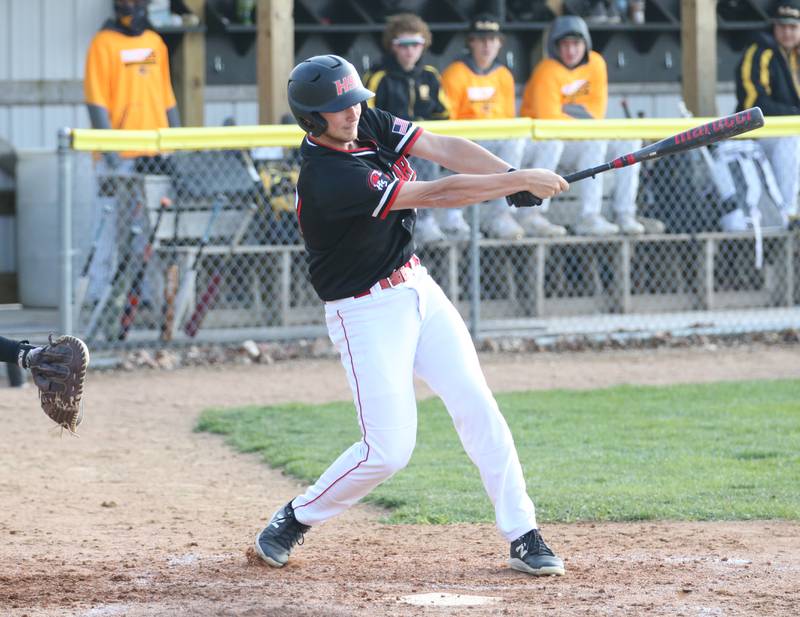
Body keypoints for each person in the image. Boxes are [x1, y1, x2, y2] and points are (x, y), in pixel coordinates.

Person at [253, 54, 568, 577]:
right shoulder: (327, 177)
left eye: (354, 101)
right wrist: (515, 184)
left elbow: (442, 148)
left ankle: (523, 532)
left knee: (478, 407)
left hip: (417, 286)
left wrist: (511, 176)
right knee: (389, 450)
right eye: (338, 108)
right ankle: (296, 516)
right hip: (365, 313)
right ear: (312, 119)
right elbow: (438, 191)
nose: (353, 113)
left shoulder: (365, 124)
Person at [520, 15, 660, 236]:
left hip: (579, 137)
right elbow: (550, 120)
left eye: (576, 43)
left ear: (585, 44)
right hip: (547, 143)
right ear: (555, 47)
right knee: (591, 141)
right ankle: (581, 216)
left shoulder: (596, 63)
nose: (571, 50)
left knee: (630, 141)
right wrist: (577, 116)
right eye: (564, 44)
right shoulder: (546, 71)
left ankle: (625, 213)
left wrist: (565, 111)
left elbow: (596, 113)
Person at [82, 0, 180, 311]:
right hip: (119, 157)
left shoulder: (155, 44)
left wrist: (175, 144)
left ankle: (149, 297)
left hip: (154, 153)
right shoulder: (102, 43)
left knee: (150, 234)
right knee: (109, 230)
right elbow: (96, 101)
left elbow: (167, 98)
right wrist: (110, 152)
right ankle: (99, 295)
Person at [441, 14, 566, 239]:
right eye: (481, 39)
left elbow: (508, 119)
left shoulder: (503, 75)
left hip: (499, 142)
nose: (487, 45)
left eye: (492, 39)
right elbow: (448, 123)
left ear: (500, 42)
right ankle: (498, 216)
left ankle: (530, 215)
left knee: (550, 144)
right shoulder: (455, 73)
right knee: (512, 144)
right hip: (469, 143)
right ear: (471, 42)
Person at [364, 14, 469, 243]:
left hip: (423, 144)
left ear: (424, 45)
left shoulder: (430, 75)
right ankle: (424, 221)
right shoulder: (379, 76)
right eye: (403, 45)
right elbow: (366, 119)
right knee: (426, 153)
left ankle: (453, 217)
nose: (410, 51)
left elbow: (444, 114)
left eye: (416, 44)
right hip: (390, 150)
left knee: (458, 148)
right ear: (393, 46)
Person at [735, 0, 800, 227]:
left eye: (793, 27)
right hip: (757, 135)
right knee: (791, 139)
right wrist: (795, 114)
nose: (787, 32)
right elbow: (753, 103)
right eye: (782, 26)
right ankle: (789, 212)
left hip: (790, 131)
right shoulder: (760, 51)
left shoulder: (796, 55)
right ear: (773, 27)